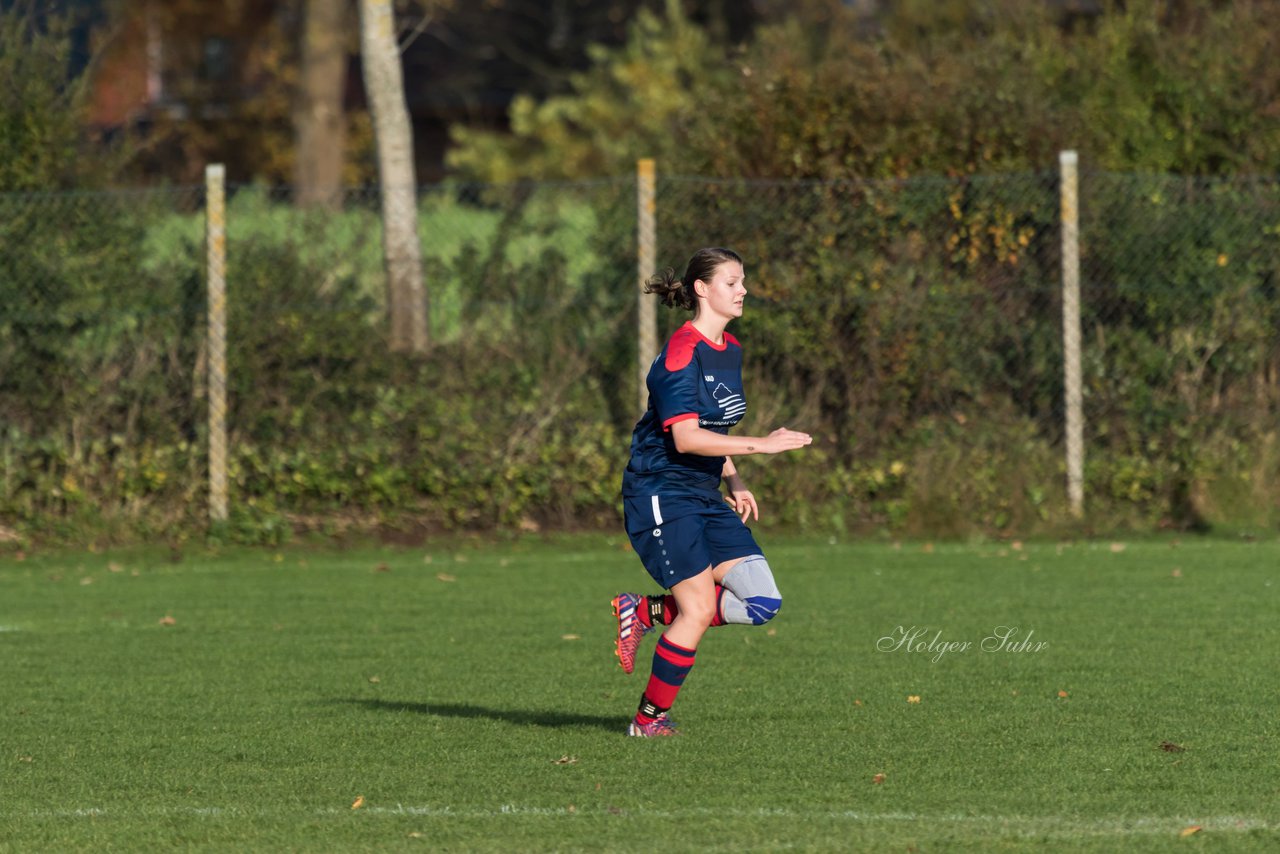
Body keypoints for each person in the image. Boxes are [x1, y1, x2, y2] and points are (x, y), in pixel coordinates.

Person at [612, 247, 812, 737]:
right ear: (702, 289)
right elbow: (684, 437)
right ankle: (647, 722)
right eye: (731, 282)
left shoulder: (731, 349)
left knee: (763, 601)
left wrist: (734, 478)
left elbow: (711, 427)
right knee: (699, 610)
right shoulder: (681, 353)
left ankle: (646, 610)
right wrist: (760, 447)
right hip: (661, 492)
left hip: (703, 492)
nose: (742, 289)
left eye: (743, 281)